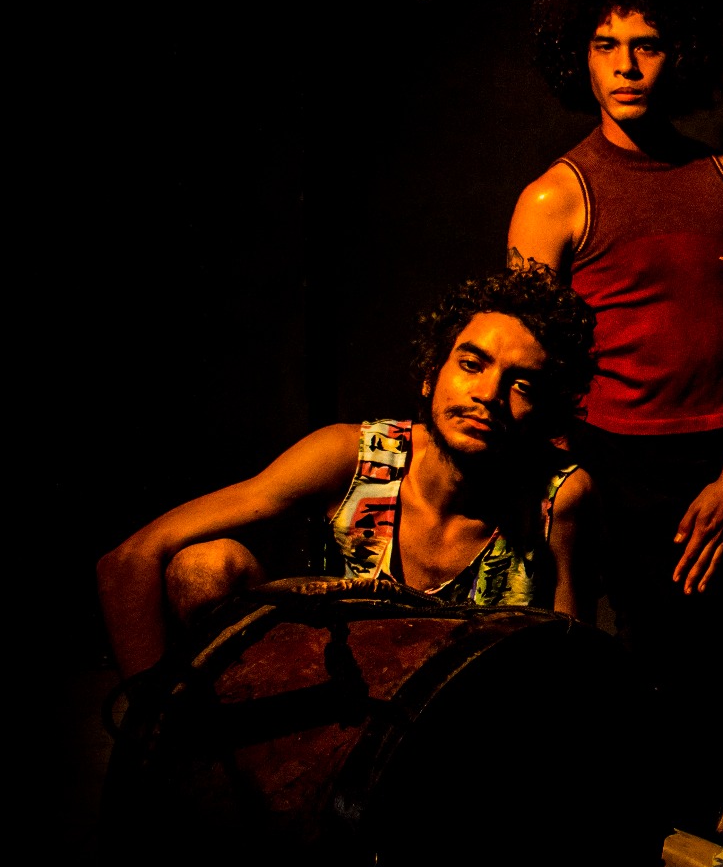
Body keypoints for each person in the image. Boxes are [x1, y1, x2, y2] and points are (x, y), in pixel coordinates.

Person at [506, 0, 723, 830]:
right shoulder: (554, 197)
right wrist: (566, 488)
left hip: (718, 461)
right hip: (607, 465)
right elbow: (521, 367)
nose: (626, 65)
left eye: (647, 44)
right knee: (624, 686)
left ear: (681, 52)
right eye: (606, 44)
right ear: (578, 55)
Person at [97, 265, 599, 681]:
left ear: (548, 413)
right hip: (332, 706)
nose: (488, 395)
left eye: (522, 385)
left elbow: (572, 669)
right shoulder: (354, 456)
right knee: (204, 566)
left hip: (461, 729)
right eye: (471, 364)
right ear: (431, 375)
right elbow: (129, 560)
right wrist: (152, 729)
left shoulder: (556, 496)